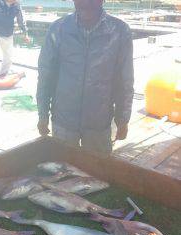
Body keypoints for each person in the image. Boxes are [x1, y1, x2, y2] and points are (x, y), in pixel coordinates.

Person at [36, 0, 134, 157]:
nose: (86, 3)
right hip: (63, 121)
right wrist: (42, 114)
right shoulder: (58, 29)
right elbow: (46, 75)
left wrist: (123, 119)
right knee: (62, 172)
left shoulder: (120, 31)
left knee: (98, 175)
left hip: (99, 124)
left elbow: (124, 80)